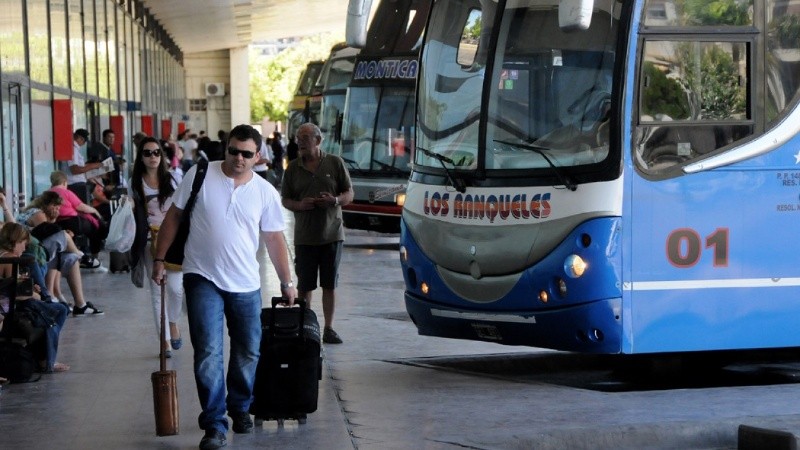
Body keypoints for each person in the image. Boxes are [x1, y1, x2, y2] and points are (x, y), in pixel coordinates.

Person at [152, 124, 297, 450]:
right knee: (208, 353)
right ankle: (214, 424)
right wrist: (159, 260)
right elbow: (173, 218)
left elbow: (274, 237)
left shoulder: (265, 192)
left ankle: (240, 406)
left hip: (245, 283)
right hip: (202, 277)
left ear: (258, 156)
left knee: (248, 350)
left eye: (247, 153)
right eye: (234, 151)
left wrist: (287, 282)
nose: (239, 158)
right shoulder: (199, 175)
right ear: (226, 149)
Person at [281, 123, 353, 344]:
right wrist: (300, 205)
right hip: (305, 237)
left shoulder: (335, 162)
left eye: (305, 137)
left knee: (329, 284)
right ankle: (305, 327)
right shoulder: (292, 168)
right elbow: (285, 199)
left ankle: (329, 328)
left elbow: (349, 192)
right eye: (298, 138)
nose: (300, 142)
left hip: (332, 234)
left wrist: (335, 201)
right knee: (305, 285)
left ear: (318, 140)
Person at [129, 137, 184, 358]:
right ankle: (164, 341)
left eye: (156, 153)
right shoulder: (134, 184)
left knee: (176, 288)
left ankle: (173, 321)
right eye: (147, 153)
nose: (152, 157)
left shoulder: (172, 179)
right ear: (141, 157)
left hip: (174, 239)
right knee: (157, 291)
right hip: (149, 240)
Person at [17, 192, 104, 316]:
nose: (58, 210)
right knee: (63, 235)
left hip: (36, 250)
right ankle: (83, 257)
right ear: (48, 205)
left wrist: (54, 221)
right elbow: (48, 230)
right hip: (28, 251)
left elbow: (46, 232)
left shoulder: (38, 213)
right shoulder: (37, 212)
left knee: (71, 258)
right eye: (56, 207)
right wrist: (63, 233)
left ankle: (81, 305)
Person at [0, 222, 70, 373]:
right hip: (11, 308)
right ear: (15, 242)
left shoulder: (3, 256)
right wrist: (35, 294)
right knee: (60, 311)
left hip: (7, 305)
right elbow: (18, 295)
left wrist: (31, 290)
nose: (24, 248)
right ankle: (47, 360)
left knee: (56, 310)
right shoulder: (12, 260)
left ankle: (47, 359)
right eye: (23, 244)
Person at [49, 170, 109, 271]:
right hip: (73, 222)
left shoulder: (47, 193)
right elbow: (81, 207)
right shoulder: (66, 192)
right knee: (95, 231)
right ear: (64, 182)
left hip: (56, 223)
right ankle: (95, 261)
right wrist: (95, 211)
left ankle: (73, 261)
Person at [65, 129, 104, 203]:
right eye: (83, 141)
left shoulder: (74, 149)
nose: (83, 144)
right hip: (75, 184)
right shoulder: (73, 148)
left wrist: (91, 166)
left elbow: (80, 166)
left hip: (78, 184)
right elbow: (75, 170)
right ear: (80, 138)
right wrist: (94, 166)